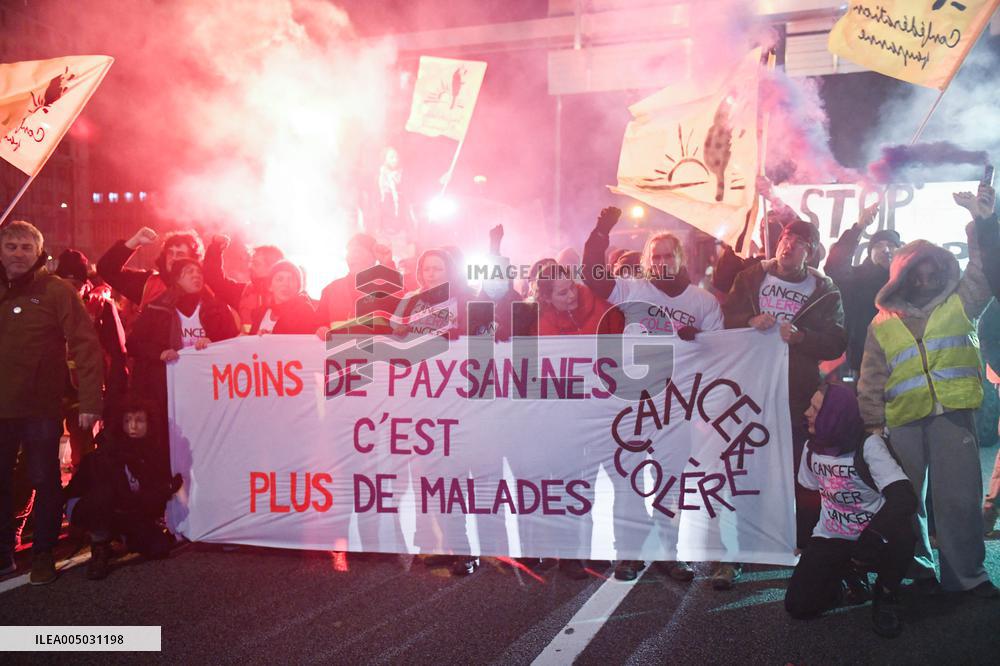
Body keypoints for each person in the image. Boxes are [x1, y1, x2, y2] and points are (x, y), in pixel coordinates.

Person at [857, 186, 997, 598]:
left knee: (959, 501)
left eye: (933, 267)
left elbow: (986, 269)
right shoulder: (880, 324)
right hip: (902, 421)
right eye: (917, 269)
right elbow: (871, 378)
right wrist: (871, 428)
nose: (927, 275)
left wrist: (981, 223)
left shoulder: (961, 301)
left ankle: (967, 576)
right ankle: (916, 568)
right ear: (902, 274)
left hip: (953, 414)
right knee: (907, 503)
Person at [584, 206, 725, 584]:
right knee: (629, 478)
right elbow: (591, 276)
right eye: (655, 255)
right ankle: (627, 554)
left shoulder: (702, 302)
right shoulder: (631, 289)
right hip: (632, 399)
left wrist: (700, 340)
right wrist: (601, 234)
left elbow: (722, 353)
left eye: (668, 255)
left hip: (677, 405)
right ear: (647, 261)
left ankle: (669, 554)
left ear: (679, 258)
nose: (662, 261)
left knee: (669, 481)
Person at [723, 219, 847, 557]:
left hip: (796, 395)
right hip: (748, 391)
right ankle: (736, 553)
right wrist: (748, 322)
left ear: (811, 250)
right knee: (745, 469)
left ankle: (799, 544)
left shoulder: (824, 291)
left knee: (797, 471)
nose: (787, 245)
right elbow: (723, 320)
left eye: (797, 241)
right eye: (784, 238)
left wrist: (802, 338)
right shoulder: (749, 278)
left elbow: (836, 342)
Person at [1, 221, 104, 584]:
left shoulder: (56, 290)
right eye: (10, 246)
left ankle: (43, 552)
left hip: (40, 407)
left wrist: (91, 399)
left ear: (38, 252)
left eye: (25, 247)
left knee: (45, 479)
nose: (17, 253)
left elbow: (85, 344)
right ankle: (3, 553)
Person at [784, 384, 917, 638]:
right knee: (798, 607)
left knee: (902, 535)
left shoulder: (869, 445)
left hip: (873, 538)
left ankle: (886, 594)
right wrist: (806, 545)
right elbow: (809, 495)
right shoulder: (812, 448)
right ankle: (847, 578)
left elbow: (904, 498)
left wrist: (872, 537)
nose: (807, 413)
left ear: (834, 413)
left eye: (815, 408)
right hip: (833, 535)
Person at [126, 259, 239, 481]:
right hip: (167, 391)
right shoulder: (157, 308)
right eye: (189, 272)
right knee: (168, 444)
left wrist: (214, 342)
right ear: (176, 278)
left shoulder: (216, 308)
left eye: (199, 272)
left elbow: (233, 343)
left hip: (207, 391)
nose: (196, 276)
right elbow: (134, 344)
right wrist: (159, 353)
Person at [64, 400, 182, 579]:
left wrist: (165, 490)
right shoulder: (109, 452)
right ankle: (100, 544)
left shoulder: (151, 452)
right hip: (86, 505)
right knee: (107, 496)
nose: (133, 426)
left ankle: (120, 540)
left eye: (139, 420)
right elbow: (118, 495)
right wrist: (162, 492)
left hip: (126, 508)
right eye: (127, 421)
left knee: (159, 548)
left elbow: (148, 497)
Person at [55, 249, 129, 471]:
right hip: (48, 386)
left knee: (85, 448)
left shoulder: (100, 305)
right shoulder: (46, 303)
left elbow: (117, 350)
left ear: (83, 282)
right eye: (64, 282)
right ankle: (40, 502)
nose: (70, 288)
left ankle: (80, 499)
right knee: (40, 449)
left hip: (84, 387)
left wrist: (114, 391)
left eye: (75, 283)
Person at [825, 204, 903, 377]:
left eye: (891, 245)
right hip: (864, 363)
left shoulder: (908, 281)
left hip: (905, 362)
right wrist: (859, 228)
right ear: (870, 252)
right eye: (879, 246)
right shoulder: (855, 278)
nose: (886, 249)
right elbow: (834, 266)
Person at [97, 227, 203, 310]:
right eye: (170, 253)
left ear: (193, 259)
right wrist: (136, 240)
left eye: (180, 254)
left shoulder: (204, 287)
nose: (173, 258)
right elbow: (106, 269)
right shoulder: (149, 284)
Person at [316, 233, 395, 336]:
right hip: (340, 350)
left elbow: (405, 310)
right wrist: (320, 329)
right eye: (350, 251)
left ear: (374, 257)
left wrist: (387, 265)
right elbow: (317, 324)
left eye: (358, 251)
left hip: (379, 350)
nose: (353, 256)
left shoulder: (386, 286)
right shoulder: (331, 290)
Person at [204, 235, 284, 331]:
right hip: (248, 346)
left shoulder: (289, 297)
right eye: (251, 262)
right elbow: (215, 280)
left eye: (256, 264)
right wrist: (215, 248)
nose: (250, 267)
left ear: (272, 267)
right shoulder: (242, 293)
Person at [248, 261, 317, 335]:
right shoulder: (259, 313)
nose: (286, 284)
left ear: (298, 287)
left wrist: (272, 337)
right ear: (270, 286)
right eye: (280, 279)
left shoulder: (304, 311)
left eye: (291, 279)